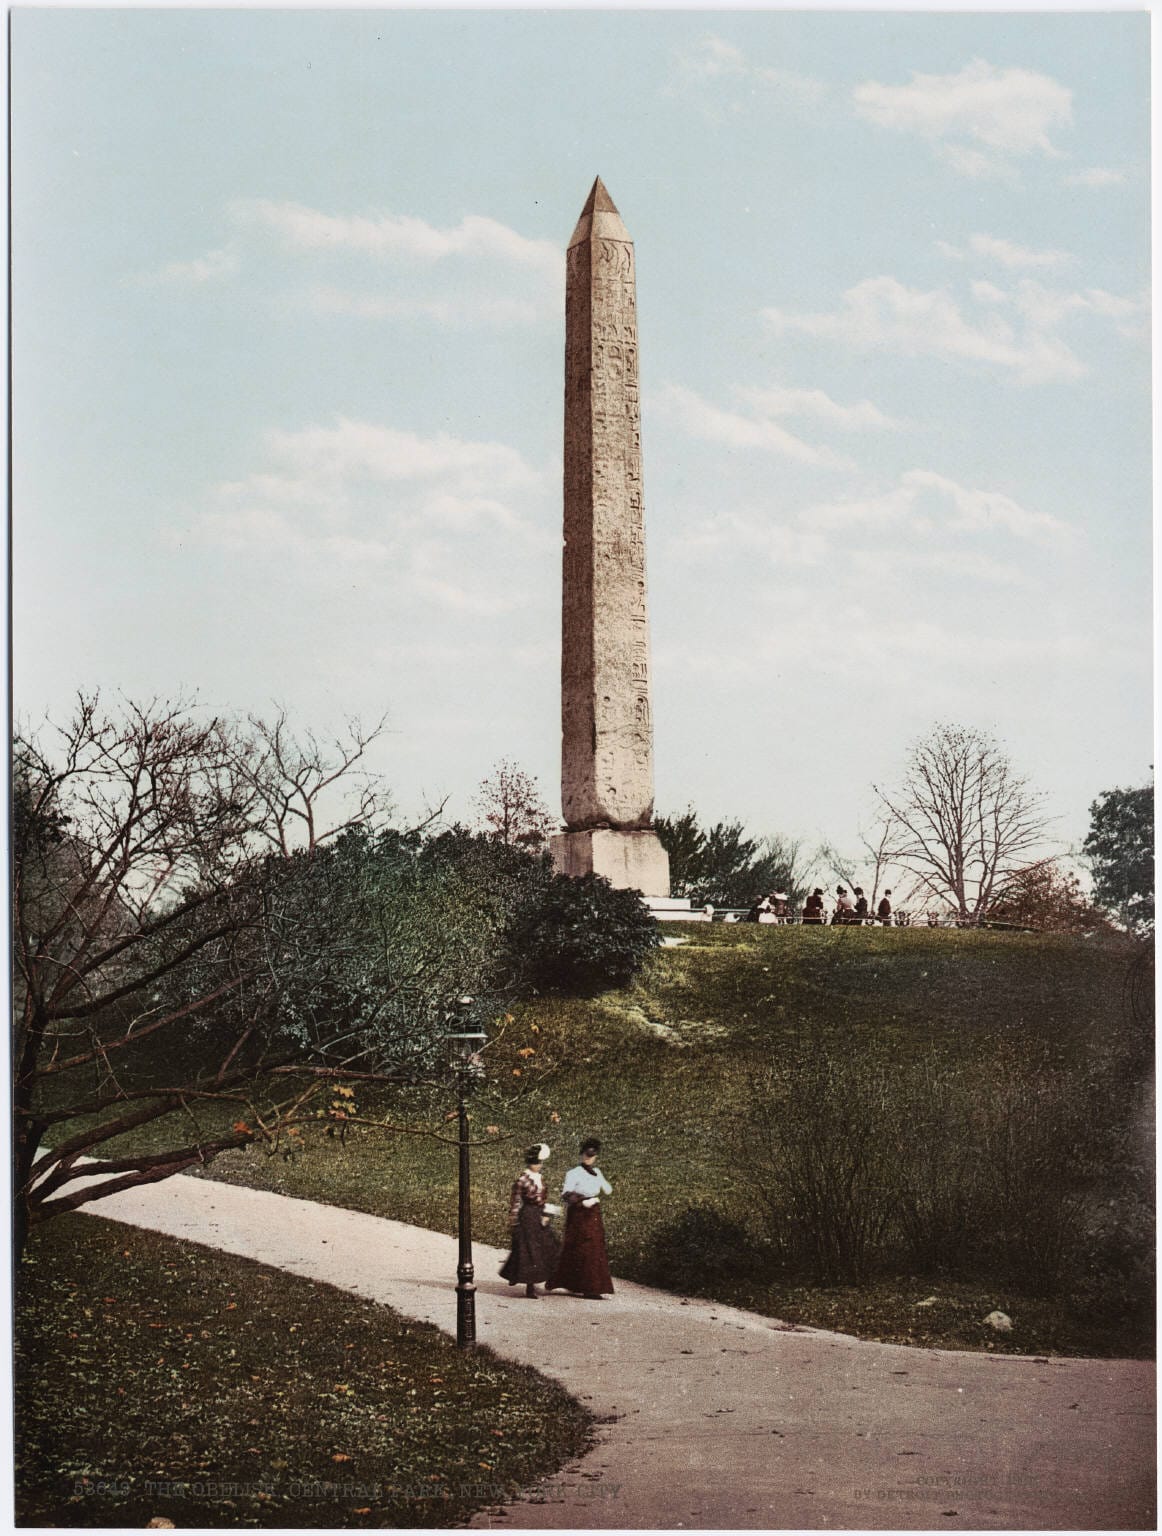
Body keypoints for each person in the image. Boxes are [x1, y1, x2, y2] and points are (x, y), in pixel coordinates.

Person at [546, 1138, 614, 1299]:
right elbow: (567, 1194)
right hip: (579, 1213)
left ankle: (592, 1286)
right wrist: (583, 1201)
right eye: (586, 1154)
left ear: (596, 1156)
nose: (588, 1158)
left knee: (595, 1247)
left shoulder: (597, 1172)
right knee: (581, 1247)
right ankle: (587, 1287)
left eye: (592, 1155)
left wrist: (600, 1181)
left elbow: (608, 1189)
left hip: (593, 1213)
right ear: (581, 1154)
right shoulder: (574, 1173)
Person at [499, 1143, 560, 1299]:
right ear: (530, 1163)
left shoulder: (539, 1178)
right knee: (529, 1249)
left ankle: (540, 1278)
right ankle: (530, 1286)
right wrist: (513, 1221)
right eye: (535, 1163)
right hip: (527, 1215)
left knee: (549, 1245)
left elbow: (543, 1198)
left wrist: (547, 1213)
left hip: (539, 1213)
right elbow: (516, 1201)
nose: (538, 1166)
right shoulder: (523, 1179)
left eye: (539, 1163)